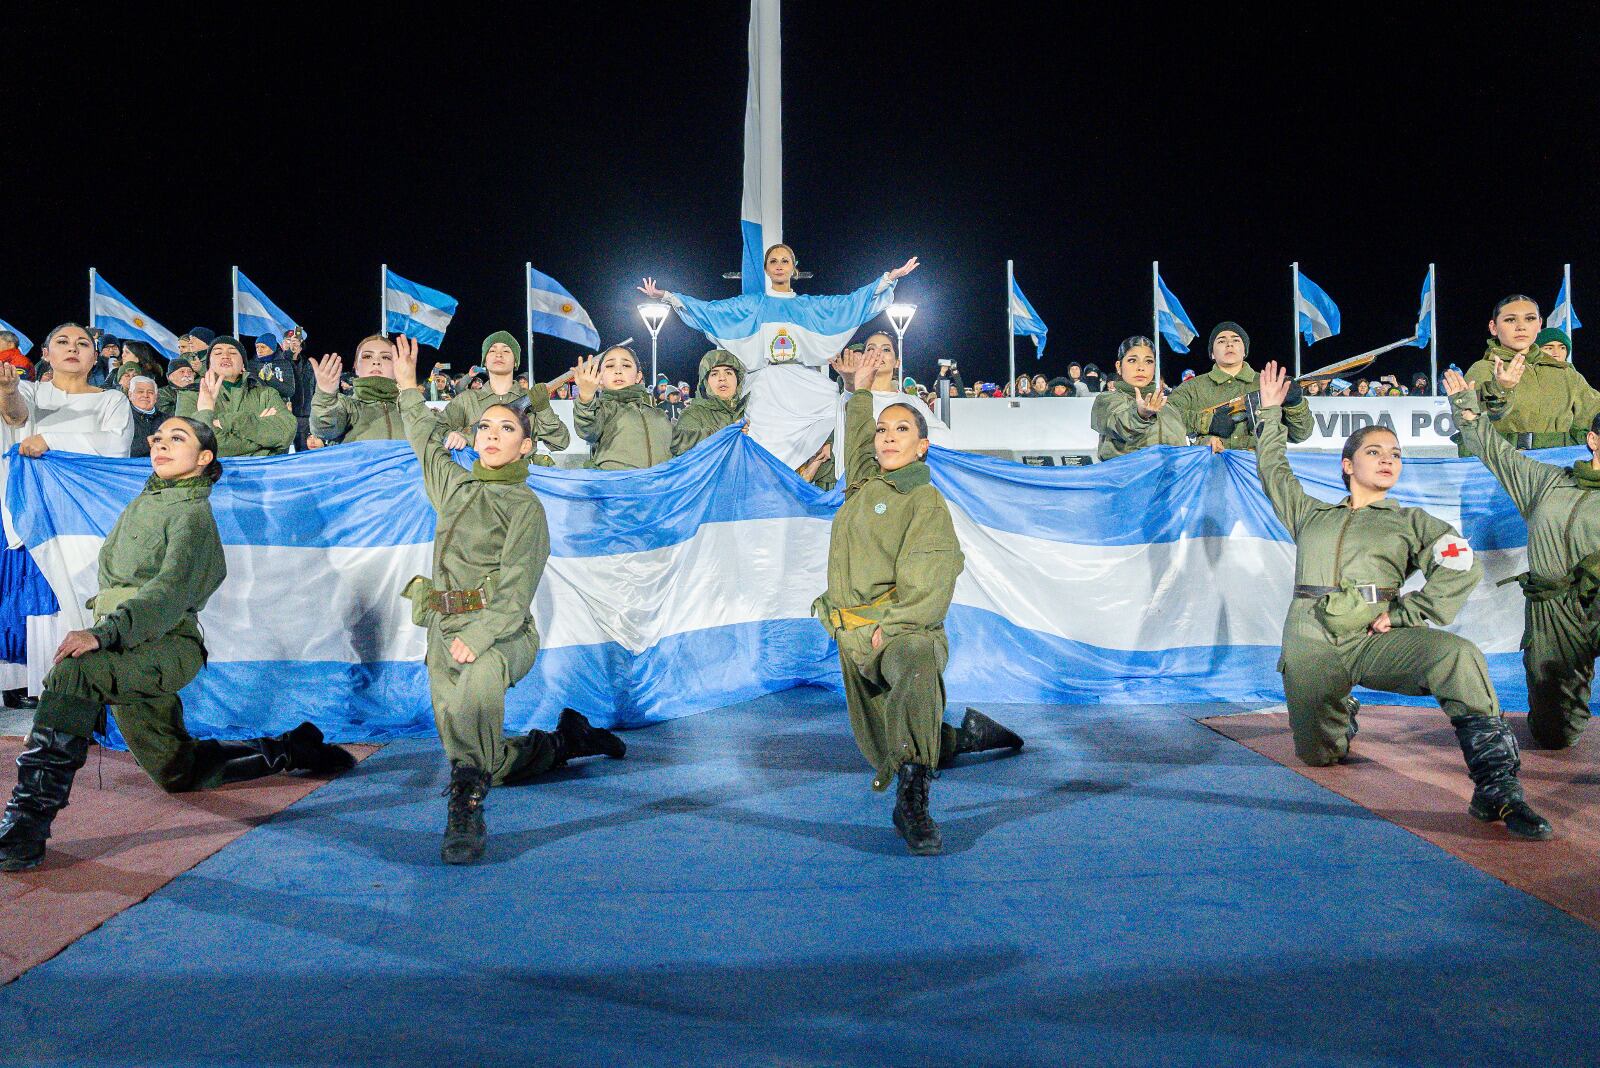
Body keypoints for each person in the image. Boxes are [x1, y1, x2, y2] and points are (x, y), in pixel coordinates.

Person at [0, 414, 353, 871]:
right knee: (178, 771)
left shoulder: (192, 514)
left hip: (166, 644)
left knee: (74, 673)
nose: (161, 443)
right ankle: (291, 748)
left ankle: (23, 829)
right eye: (158, 436)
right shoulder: (148, 501)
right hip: (131, 641)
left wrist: (104, 633)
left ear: (204, 458)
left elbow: (167, 595)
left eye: (178, 438)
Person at [1253, 360, 1550, 840]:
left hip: (1373, 636)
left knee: (1457, 656)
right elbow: (1272, 469)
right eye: (1374, 451)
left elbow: (1459, 564)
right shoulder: (1311, 516)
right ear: (1348, 464)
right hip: (1310, 643)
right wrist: (1268, 414)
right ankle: (1338, 714)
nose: (1388, 458)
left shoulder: (1412, 521)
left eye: (1395, 452)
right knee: (1318, 756)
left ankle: (1497, 789)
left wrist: (1407, 613)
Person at [390, 335, 624, 864]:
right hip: (443, 631)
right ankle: (565, 743)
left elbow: (517, 590)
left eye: (507, 427)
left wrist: (477, 636)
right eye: (485, 427)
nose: (492, 434)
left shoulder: (526, 507)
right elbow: (425, 439)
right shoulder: (454, 487)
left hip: (504, 633)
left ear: (526, 446)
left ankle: (466, 812)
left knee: (474, 700)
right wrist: (408, 388)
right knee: (482, 755)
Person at [813, 349, 1023, 856]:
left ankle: (914, 802)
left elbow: (931, 577)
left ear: (923, 447)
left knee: (913, 667)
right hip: (852, 634)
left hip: (901, 632)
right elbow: (859, 444)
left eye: (901, 430)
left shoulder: (924, 499)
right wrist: (859, 392)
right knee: (883, 746)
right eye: (884, 430)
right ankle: (967, 737)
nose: (887, 436)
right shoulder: (865, 487)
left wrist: (897, 627)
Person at [638, 245, 919, 469]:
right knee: (761, 446)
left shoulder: (808, 307)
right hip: (765, 383)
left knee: (836, 412)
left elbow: (849, 304)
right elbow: (712, 311)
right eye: (774, 261)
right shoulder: (752, 305)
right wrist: (667, 297)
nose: (780, 266)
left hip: (801, 381)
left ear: (793, 269)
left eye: (785, 261)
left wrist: (887, 279)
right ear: (766, 270)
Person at [1447, 364, 1600, 750]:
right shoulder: (1546, 481)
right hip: (1552, 611)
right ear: (1594, 440)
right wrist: (1467, 406)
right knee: (1554, 735)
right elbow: (1494, 451)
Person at [1465, 295, 1600, 448]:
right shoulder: (1483, 369)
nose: (1521, 326)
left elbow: (1594, 413)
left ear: (1539, 324)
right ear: (1493, 327)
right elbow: (1469, 421)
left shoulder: (1565, 373)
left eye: (1529, 319)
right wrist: (1500, 389)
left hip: (1559, 463)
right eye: (1510, 320)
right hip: (1504, 464)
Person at [1168, 322, 1314, 452]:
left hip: (1260, 473)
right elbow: (1164, 416)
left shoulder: (1268, 383)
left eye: (1236, 340)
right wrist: (1207, 422)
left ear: (1245, 351)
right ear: (1212, 353)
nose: (1229, 344)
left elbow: (1301, 434)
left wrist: (1295, 404)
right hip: (1210, 472)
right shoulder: (1193, 388)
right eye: (1221, 341)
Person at [438, 332, 570, 466]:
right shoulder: (467, 399)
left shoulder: (531, 399)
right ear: (485, 361)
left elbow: (560, 443)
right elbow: (436, 429)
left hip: (522, 479)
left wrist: (543, 409)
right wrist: (453, 436)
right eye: (492, 350)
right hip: (477, 478)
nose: (499, 354)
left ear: (515, 361)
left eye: (506, 351)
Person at [175, 337, 295, 456]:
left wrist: (226, 422)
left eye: (232, 352)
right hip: (212, 473)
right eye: (218, 353)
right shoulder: (190, 395)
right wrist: (260, 441)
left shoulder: (267, 394)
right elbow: (194, 444)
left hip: (262, 473)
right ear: (209, 364)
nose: (225, 356)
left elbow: (285, 433)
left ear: (243, 365)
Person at [572, 346, 671, 470]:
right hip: (616, 487)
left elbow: (682, 444)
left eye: (626, 365)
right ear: (600, 378)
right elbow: (588, 430)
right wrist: (586, 397)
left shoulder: (658, 414)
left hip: (659, 487)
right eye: (610, 366)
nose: (618, 370)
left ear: (638, 376)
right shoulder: (602, 410)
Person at [1090, 336, 1188, 460]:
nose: (1141, 367)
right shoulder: (1107, 401)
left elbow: (1193, 424)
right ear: (1119, 366)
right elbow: (1118, 424)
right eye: (1132, 360)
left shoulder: (1167, 405)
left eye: (1148, 361)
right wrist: (1140, 415)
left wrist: (1209, 440)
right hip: (1126, 477)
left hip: (1170, 477)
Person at [309, 336, 405, 444]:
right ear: (356, 366)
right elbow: (324, 429)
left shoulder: (409, 409)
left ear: (397, 366)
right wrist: (326, 396)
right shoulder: (344, 406)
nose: (376, 362)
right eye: (368, 356)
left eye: (386, 357)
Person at [670, 349, 748, 456]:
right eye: (714, 374)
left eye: (728, 373)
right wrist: (725, 431)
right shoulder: (694, 413)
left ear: (738, 379)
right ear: (705, 381)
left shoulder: (749, 410)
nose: (722, 378)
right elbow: (680, 445)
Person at [279, 328, 319, 452]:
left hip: (305, 417)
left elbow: (317, 389)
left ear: (301, 347)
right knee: (280, 454)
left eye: (295, 342)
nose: (292, 344)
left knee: (305, 454)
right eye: (288, 341)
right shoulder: (276, 364)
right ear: (282, 344)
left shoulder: (309, 365)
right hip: (283, 416)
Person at [250, 334, 295, 407]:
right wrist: (260, 379)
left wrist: (271, 379)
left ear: (272, 348)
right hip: (257, 408)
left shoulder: (284, 364)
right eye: (257, 347)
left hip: (279, 408)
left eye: (263, 347)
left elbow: (290, 391)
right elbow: (248, 388)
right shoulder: (251, 364)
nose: (259, 350)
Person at [124, 377, 165, 458]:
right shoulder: (121, 418)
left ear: (156, 397)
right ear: (130, 395)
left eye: (150, 392)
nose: (145, 395)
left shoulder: (167, 420)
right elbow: (115, 449)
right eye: (140, 391)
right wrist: (146, 443)